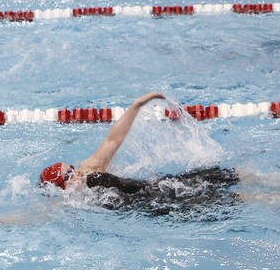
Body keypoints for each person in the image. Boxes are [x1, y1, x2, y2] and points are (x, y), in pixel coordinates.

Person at [39, 92, 245, 216]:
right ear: (60, 188)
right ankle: (273, 201)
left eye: (72, 169)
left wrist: (136, 105)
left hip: (160, 186)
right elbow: (35, 217)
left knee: (226, 174)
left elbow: (113, 140)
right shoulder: (69, 201)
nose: (76, 173)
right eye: (68, 175)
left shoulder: (89, 169)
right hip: (157, 205)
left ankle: (273, 181)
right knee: (230, 200)